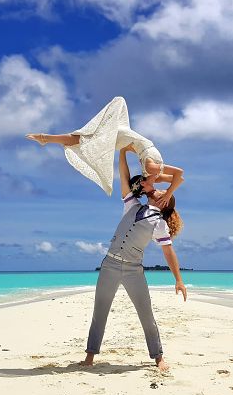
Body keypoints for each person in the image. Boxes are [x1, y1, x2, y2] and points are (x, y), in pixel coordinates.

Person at [79, 146, 187, 371]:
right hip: (109, 265)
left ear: (165, 202)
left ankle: (158, 357)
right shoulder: (132, 204)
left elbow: (169, 252)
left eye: (162, 192)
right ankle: (89, 357)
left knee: (145, 313)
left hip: (133, 271)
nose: (157, 190)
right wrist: (122, 153)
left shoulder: (160, 224)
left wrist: (178, 280)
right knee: (100, 311)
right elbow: (125, 177)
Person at [26, 96, 184, 200]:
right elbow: (179, 175)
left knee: (82, 140)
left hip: (125, 140)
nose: (155, 190)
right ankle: (45, 138)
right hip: (124, 137)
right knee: (82, 140)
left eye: (148, 192)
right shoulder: (153, 172)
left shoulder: (152, 172)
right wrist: (168, 195)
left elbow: (178, 178)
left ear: (143, 184)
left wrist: (168, 193)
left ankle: (45, 138)